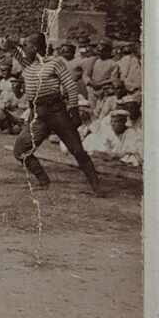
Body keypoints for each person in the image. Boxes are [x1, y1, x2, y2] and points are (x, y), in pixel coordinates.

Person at [13, 32, 103, 195]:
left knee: (77, 150)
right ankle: (43, 180)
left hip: (56, 111)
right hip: (37, 114)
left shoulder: (55, 63)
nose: (23, 49)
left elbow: (70, 86)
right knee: (20, 150)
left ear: (35, 47)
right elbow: (9, 44)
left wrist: (74, 110)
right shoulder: (26, 63)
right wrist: (20, 41)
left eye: (26, 46)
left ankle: (96, 185)